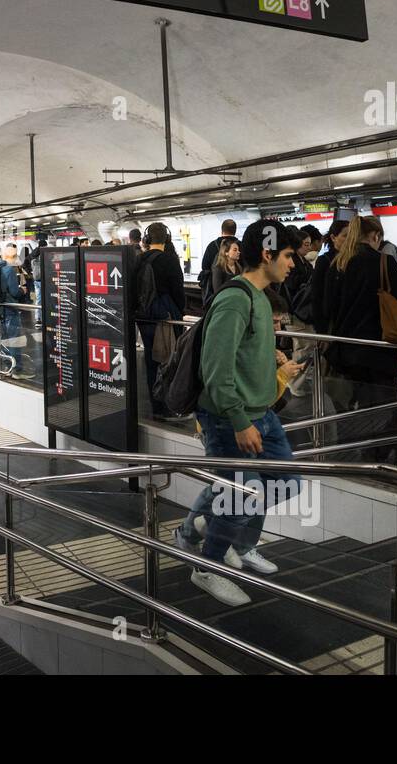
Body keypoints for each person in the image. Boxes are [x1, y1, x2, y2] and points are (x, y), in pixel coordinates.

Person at [172, 219, 304, 607]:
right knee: (239, 498)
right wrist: (239, 419)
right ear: (266, 255)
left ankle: (224, 535)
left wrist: (271, 358)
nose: (293, 264)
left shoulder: (260, 298)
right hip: (231, 418)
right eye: (287, 256)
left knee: (285, 484)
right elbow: (216, 368)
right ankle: (208, 566)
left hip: (263, 412)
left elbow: (242, 354)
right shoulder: (235, 298)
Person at [320, 215, 397, 463]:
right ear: (375, 236)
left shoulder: (338, 264)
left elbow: (327, 308)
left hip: (346, 351)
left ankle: (361, 451)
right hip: (379, 351)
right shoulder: (383, 262)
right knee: (385, 406)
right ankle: (385, 456)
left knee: (359, 405)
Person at [134, 221, 186, 418]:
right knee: (169, 359)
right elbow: (178, 291)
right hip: (165, 317)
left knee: (150, 360)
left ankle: (156, 405)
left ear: (147, 239)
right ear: (167, 239)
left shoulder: (139, 260)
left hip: (144, 317)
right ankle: (168, 405)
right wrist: (178, 312)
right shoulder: (169, 260)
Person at [282, 225, 317, 397]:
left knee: (305, 346)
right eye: (305, 244)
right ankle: (295, 384)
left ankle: (297, 382)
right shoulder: (296, 263)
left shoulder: (303, 262)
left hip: (299, 311)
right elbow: (291, 286)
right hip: (296, 312)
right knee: (303, 347)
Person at [0, 244, 32, 374]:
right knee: (14, 340)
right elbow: (14, 292)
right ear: (12, 257)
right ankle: (16, 368)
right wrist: (22, 290)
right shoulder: (9, 270)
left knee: (4, 338)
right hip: (10, 309)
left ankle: (6, 364)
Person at [307, 218, 350, 333]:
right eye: (345, 236)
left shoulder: (355, 259)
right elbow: (317, 295)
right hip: (331, 320)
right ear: (333, 237)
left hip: (349, 320)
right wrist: (321, 328)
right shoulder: (325, 260)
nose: (350, 240)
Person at [197, 218, 238, 291]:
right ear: (235, 231)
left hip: (214, 290)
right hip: (238, 289)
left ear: (222, 231)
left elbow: (204, 266)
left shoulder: (212, 246)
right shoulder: (241, 246)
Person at [207, 235, 242, 302]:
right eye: (235, 250)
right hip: (224, 302)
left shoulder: (239, 267)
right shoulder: (218, 268)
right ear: (226, 252)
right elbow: (217, 291)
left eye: (238, 250)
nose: (238, 252)